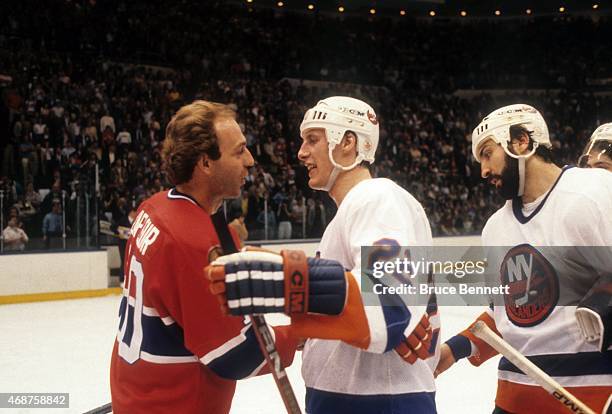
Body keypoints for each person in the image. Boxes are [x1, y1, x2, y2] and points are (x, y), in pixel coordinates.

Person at [110, 100, 349, 413]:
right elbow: (234, 355)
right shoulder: (196, 243)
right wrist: (304, 333)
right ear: (205, 163)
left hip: (136, 396)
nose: (250, 160)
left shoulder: (152, 209)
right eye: (238, 151)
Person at [207, 97, 439, 413]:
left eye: (312, 140)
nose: (301, 152)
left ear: (347, 142)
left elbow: (388, 308)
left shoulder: (376, 197)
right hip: (358, 400)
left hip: (379, 403)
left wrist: (286, 281)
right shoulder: (349, 215)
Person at [435, 104, 612, 413]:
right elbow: (509, 317)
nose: (483, 171)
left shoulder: (592, 192)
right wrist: (454, 350)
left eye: (488, 154)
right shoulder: (494, 229)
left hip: (590, 399)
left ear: (520, 142)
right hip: (512, 401)